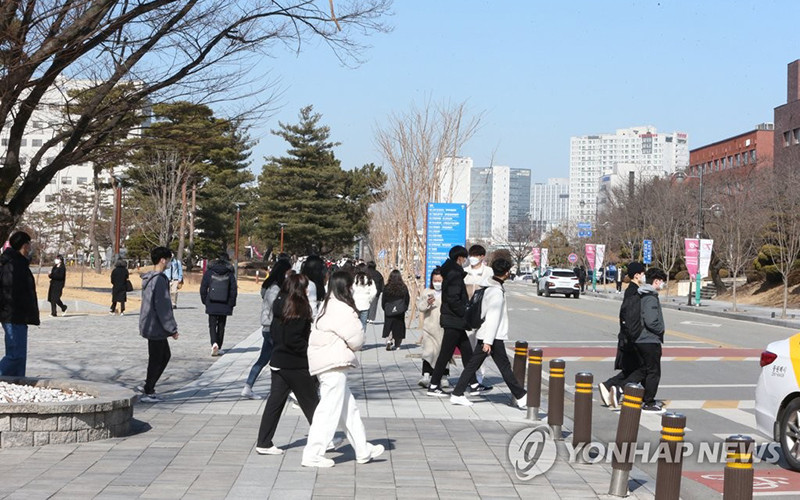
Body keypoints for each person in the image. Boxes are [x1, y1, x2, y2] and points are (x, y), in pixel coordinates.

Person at [302, 271, 385, 468]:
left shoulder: (327, 304)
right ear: (345, 288)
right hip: (333, 364)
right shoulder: (342, 309)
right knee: (328, 411)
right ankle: (313, 453)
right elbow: (357, 339)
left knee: (349, 410)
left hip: (326, 363)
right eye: (350, 286)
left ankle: (363, 449)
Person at [449, 258, 527, 408]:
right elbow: (492, 317)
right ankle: (521, 395)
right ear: (506, 273)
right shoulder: (496, 291)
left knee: (474, 365)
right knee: (503, 367)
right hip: (492, 336)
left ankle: (457, 393)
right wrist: (488, 342)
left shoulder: (488, 284)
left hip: (487, 335)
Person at [256, 273, 319, 455]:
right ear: (298, 288)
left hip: (278, 361)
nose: (308, 290)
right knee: (311, 402)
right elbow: (295, 339)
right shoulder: (299, 308)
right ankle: (325, 438)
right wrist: (308, 351)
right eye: (305, 287)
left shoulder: (280, 303)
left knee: (275, 403)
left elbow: (277, 333)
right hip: (296, 363)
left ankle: (264, 441)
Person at [427, 245, 483, 397]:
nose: (466, 260)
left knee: (466, 352)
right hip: (454, 319)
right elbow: (453, 298)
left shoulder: (451, 272)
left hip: (454, 319)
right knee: (445, 354)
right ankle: (433, 385)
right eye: (465, 258)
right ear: (460, 258)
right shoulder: (454, 274)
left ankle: (474, 383)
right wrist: (464, 312)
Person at [242, 259, 292, 399]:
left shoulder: (274, 287)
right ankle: (282, 389)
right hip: (271, 328)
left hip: (269, 327)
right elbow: (278, 308)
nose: (289, 275)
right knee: (280, 359)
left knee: (264, 359)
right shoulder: (274, 289)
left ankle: (248, 386)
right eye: (288, 272)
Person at [598, 261, 646, 409]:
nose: (645, 276)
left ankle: (608, 386)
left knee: (631, 369)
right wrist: (635, 339)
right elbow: (631, 319)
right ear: (637, 275)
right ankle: (620, 388)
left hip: (628, 338)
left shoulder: (632, 290)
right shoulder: (633, 292)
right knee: (645, 368)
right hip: (632, 339)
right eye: (643, 273)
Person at [138, 247, 180, 402]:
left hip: (150, 323)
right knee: (158, 358)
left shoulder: (149, 278)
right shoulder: (159, 280)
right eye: (168, 259)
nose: (169, 262)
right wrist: (172, 329)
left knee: (161, 356)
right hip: (156, 326)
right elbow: (163, 306)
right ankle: (149, 389)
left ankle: (149, 384)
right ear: (163, 259)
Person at [0, 231, 40, 376]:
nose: (30, 247)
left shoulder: (18, 262)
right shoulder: (13, 265)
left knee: (19, 356)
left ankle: (16, 381)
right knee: (15, 355)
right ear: (24, 245)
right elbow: (10, 291)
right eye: (29, 244)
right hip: (13, 314)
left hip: (18, 315)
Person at [633, 267, 668, 412]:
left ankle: (642, 397)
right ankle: (648, 401)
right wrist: (660, 329)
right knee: (653, 372)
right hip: (649, 339)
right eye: (662, 282)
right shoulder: (650, 298)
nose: (663, 285)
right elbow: (651, 320)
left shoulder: (644, 295)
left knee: (645, 370)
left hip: (643, 339)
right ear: (656, 281)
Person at [416, 267, 453, 388]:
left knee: (443, 353)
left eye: (440, 280)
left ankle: (444, 376)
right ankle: (426, 375)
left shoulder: (448, 292)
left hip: (443, 328)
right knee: (428, 352)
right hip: (429, 328)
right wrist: (427, 303)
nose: (437, 283)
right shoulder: (427, 292)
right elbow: (420, 308)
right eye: (435, 280)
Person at [463, 245, 492, 384]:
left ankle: (480, 376)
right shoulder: (465, 272)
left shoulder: (489, 272)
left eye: (475, 255)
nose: (472, 258)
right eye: (471, 255)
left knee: (481, 348)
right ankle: (470, 378)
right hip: (468, 315)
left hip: (483, 315)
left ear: (482, 256)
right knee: (468, 346)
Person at [200, 252, 238, 357]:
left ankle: (214, 343)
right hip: (225, 303)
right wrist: (232, 303)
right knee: (221, 325)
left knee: (212, 325)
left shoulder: (209, 272)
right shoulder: (230, 273)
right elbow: (233, 290)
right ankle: (219, 346)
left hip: (211, 302)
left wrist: (205, 301)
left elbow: (203, 288)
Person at [381, 270, 410, 351]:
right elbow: (407, 298)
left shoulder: (387, 287)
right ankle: (397, 345)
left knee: (389, 326)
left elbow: (383, 300)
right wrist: (405, 307)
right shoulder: (403, 287)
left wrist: (385, 308)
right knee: (399, 327)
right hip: (400, 311)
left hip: (389, 310)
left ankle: (389, 340)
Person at [352, 264, 377, 330]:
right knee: (363, 323)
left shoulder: (355, 279)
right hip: (365, 304)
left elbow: (352, 290)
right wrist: (369, 299)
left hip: (355, 303)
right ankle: (362, 337)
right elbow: (374, 292)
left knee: (355, 323)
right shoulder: (370, 280)